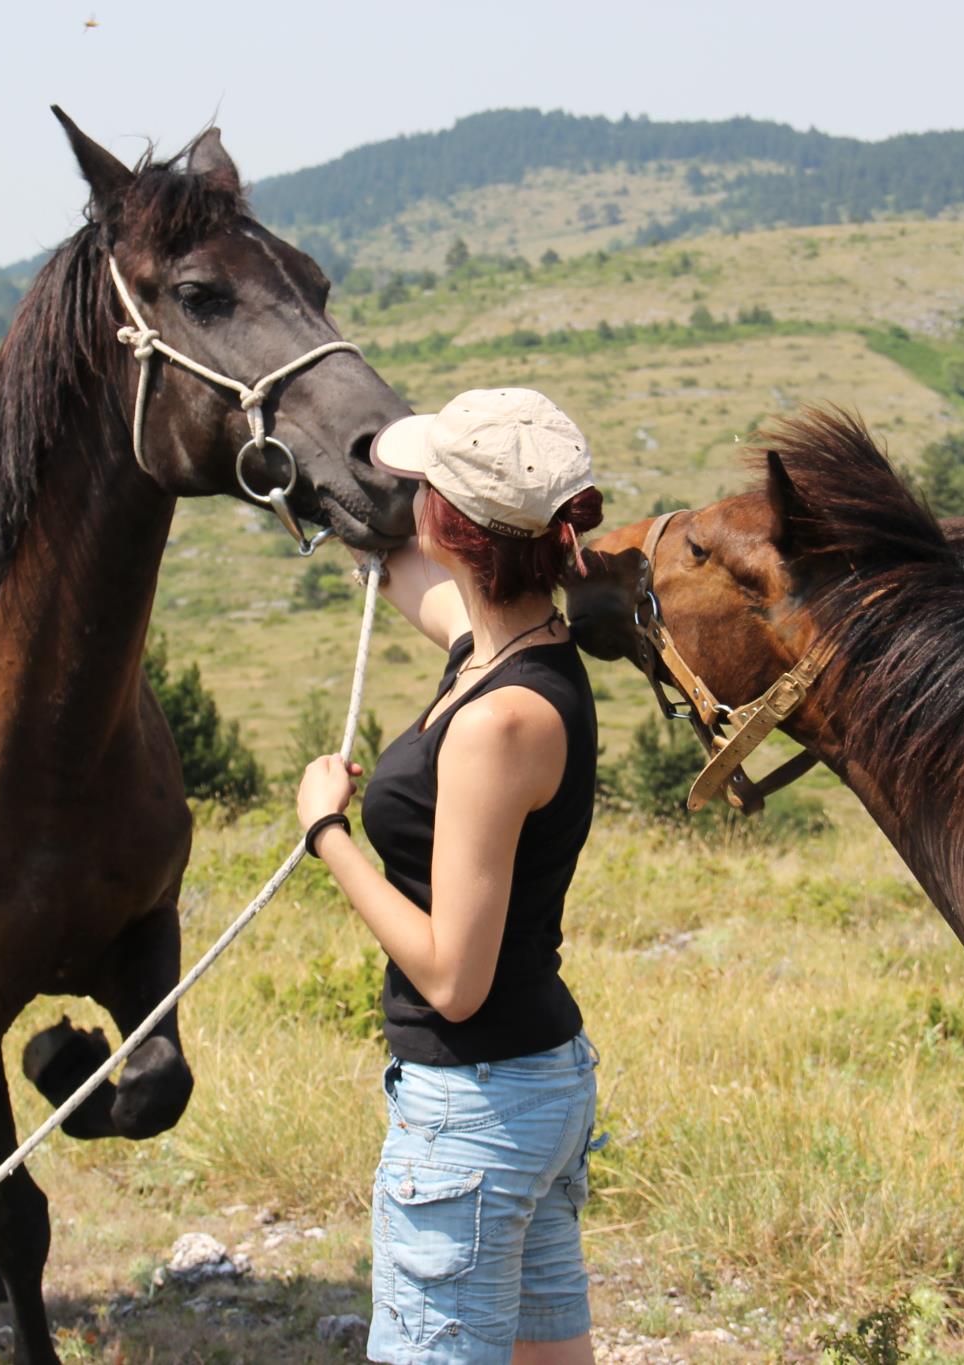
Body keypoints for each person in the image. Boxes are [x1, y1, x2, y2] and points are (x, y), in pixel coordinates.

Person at [296, 388, 606, 1364]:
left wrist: (326, 834)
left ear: (444, 522)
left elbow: (449, 976)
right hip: (536, 1089)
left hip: (472, 1107)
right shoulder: (513, 655)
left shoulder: (494, 722)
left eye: (420, 487)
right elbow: (406, 582)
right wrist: (318, 503)